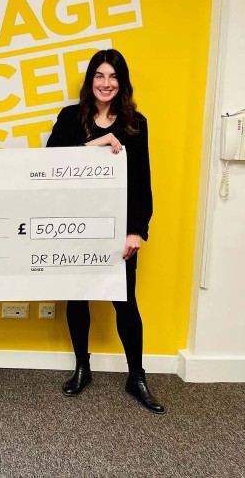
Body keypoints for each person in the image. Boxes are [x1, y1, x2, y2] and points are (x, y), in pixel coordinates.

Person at [46, 48, 164, 414]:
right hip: (74, 224)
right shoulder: (70, 118)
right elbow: (48, 162)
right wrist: (95, 144)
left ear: (121, 82)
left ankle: (136, 376)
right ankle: (82, 367)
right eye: (100, 75)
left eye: (113, 76)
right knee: (77, 297)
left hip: (117, 228)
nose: (106, 83)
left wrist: (137, 230)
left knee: (125, 302)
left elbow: (142, 181)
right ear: (90, 80)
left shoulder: (135, 123)